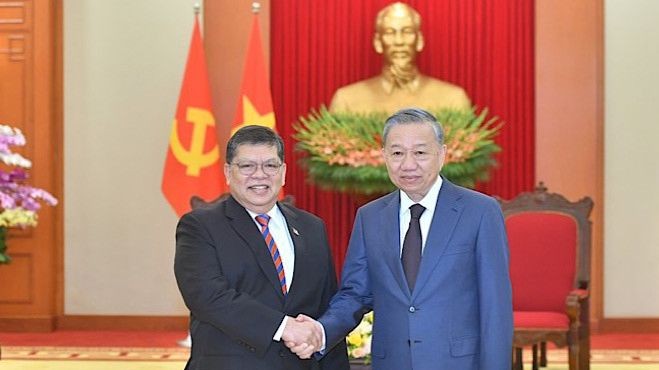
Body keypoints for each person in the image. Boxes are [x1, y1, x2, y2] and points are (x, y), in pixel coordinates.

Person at [287, 108, 513, 370]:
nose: (408, 164)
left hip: (457, 362)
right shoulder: (370, 217)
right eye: (397, 153)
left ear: (442, 154)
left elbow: (495, 306)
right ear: (384, 156)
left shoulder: (479, 211)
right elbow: (356, 294)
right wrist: (321, 330)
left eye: (420, 153)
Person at [174, 125, 349, 370]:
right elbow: (208, 296)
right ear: (228, 172)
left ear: (283, 172)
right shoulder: (200, 226)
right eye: (247, 166)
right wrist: (283, 327)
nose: (260, 175)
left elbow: (325, 303)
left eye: (270, 165)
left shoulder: (312, 227)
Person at [329, 2, 472, 114]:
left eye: (407, 32)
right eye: (390, 32)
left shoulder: (453, 99)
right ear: (378, 42)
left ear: (419, 40)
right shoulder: (346, 100)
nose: (399, 41)